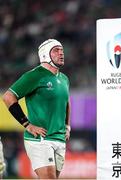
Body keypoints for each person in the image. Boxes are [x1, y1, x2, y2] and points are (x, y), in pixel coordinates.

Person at [2, 39, 71, 179]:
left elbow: (66, 102)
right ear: (45, 54)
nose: (61, 53)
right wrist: (27, 125)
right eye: (56, 50)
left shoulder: (64, 78)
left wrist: (67, 125)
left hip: (59, 139)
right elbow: (8, 97)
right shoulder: (34, 76)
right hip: (40, 139)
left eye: (62, 50)